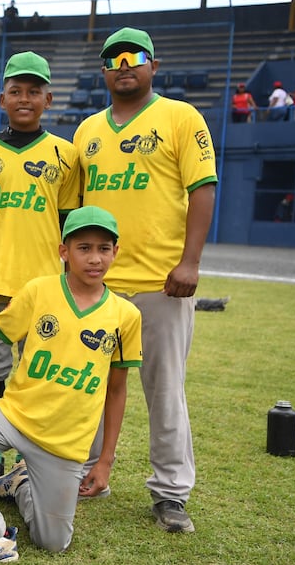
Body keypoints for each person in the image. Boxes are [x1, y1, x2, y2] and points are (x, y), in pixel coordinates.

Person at [0, 205, 141, 565]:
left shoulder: (126, 316)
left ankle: (20, 483)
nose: (95, 258)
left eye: (104, 249)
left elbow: (117, 391)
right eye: (84, 248)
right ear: (64, 252)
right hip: (14, 416)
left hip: (64, 441)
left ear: (115, 252)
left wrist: (105, 460)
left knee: (52, 543)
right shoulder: (40, 290)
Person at [73, 27, 217, 534]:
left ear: (154, 65)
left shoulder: (180, 117)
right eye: (113, 58)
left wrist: (190, 261)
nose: (124, 64)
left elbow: (202, 189)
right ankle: (88, 474)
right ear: (104, 71)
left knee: (164, 389)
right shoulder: (88, 130)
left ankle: (171, 493)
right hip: (99, 283)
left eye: (135, 56)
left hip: (161, 282)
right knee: (87, 384)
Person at [0, 52, 82, 487]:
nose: (24, 98)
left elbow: (70, 225)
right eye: (16, 90)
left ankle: (29, 458)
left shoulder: (66, 154)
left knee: (36, 378)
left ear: (48, 98)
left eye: (34, 91)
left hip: (45, 288)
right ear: (2, 97)